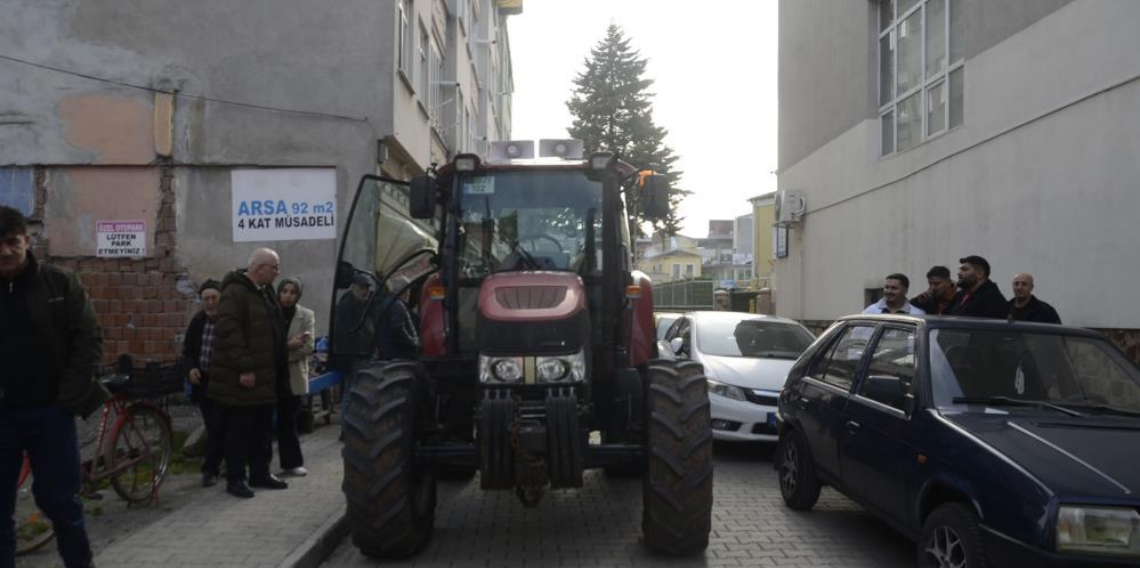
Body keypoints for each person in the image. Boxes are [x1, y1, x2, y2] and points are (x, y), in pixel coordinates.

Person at [0, 205, 105, 568]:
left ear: (27, 241)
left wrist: (66, 400)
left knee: (60, 501)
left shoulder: (60, 283)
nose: (4, 251)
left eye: (12, 242)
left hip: (50, 413)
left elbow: (88, 340)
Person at [209, 248, 289, 498]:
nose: (278, 273)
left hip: (266, 376)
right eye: (274, 268)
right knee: (239, 430)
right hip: (243, 378)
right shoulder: (235, 292)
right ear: (260, 268)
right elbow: (230, 333)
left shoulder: (265, 292)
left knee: (262, 428)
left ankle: (260, 472)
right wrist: (245, 367)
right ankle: (235, 478)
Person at [183, 279, 226, 488]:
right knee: (212, 424)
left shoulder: (228, 321)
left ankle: (211, 469)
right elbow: (188, 351)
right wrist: (191, 368)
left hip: (224, 381)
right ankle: (216, 465)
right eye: (205, 299)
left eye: (213, 298)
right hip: (204, 381)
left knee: (219, 424)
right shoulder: (198, 321)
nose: (210, 303)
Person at [275, 277, 314, 477]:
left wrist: (279, 354)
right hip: (271, 376)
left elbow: (308, 347)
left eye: (292, 292)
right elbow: (264, 346)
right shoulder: (270, 313)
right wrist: (287, 346)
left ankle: (291, 463)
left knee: (289, 422)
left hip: (293, 377)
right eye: (285, 291)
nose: (288, 296)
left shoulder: (306, 315)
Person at [374, 275, 420, 360]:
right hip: (398, 355)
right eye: (409, 290)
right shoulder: (397, 305)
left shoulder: (387, 302)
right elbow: (398, 328)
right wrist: (413, 343)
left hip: (388, 353)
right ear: (405, 291)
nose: (409, 293)